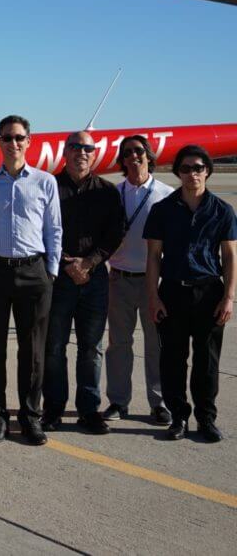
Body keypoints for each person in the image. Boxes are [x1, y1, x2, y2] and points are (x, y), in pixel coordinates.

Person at [0, 115, 61, 446]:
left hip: (35, 273)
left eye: (19, 137)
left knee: (33, 351)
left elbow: (54, 230)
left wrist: (51, 272)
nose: (13, 143)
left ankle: (31, 417)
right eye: (7, 137)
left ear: (29, 140)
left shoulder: (46, 182)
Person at [144, 144, 236, 442]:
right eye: (185, 168)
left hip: (209, 292)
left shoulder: (223, 211)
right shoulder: (163, 210)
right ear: (177, 173)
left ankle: (205, 419)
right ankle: (178, 418)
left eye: (198, 168)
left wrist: (228, 297)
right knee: (172, 359)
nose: (192, 173)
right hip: (172, 292)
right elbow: (154, 256)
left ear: (207, 171)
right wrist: (153, 297)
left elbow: (230, 256)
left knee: (207, 362)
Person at [42, 131, 124, 435]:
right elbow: (40, 230)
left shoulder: (106, 191)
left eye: (88, 148)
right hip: (58, 278)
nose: (82, 152)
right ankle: (53, 408)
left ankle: (89, 410)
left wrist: (88, 263)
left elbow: (115, 233)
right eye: (75, 147)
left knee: (91, 348)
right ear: (65, 152)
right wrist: (68, 264)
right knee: (54, 346)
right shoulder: (48, 186)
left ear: (95, 153)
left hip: (94, 278)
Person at [103, 135, 174, 426]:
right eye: (127, 153)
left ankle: (159, 403)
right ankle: (119, 402)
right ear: (122, 160)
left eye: (139, 151)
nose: (134, 157)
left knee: (156, 344)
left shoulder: (167, 194)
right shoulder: (114, 194)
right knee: (119, 343)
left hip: (152, 283)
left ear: (149, 156)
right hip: (119, 278)